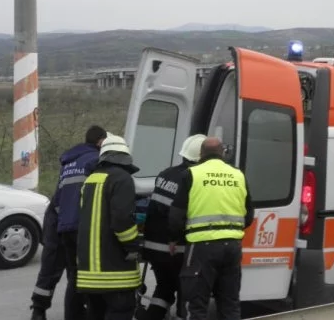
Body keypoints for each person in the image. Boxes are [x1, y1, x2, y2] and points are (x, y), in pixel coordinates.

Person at [169, 137, 254, 320]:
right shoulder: (238, 174)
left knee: (196, 304)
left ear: (200, 154)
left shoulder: (192, 174)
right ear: (223, 152)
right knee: (230, 304)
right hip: (232, 247)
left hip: (201, 247)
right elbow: (249, 215)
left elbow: (176, 216)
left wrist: (175, 238)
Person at [138, 134, 207, 320]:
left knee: (165, 288)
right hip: (176, 248)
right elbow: (179, 217)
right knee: (187, 292)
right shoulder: (193, 178)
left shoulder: (165, 173)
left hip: (152, 247)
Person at [76, 134, 142, 320]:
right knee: (120, 312)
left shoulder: (89, 180)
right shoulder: (122, 179)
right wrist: (133, 245)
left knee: (95, 314)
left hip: (89, 272)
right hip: (115, 273)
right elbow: (121, 220)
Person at [53, 125, 108, 320]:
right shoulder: (95, 160)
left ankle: (73, 315)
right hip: (83, 227)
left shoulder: (68, 163)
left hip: (65, 227)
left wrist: (64, 218)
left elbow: (57, 200)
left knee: (74, 277)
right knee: (90, 277)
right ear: (100, 141)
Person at [29, 197, 66, 320]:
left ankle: (38, 310)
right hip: (69, 223)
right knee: (76, 273)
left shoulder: (66, 176)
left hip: (55, 220)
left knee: (49, 270)